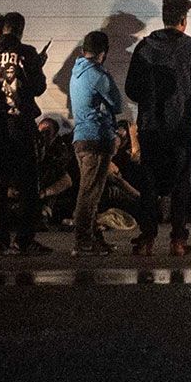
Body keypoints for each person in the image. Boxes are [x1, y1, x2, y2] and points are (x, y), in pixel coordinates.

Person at [125, 0, 191, 257]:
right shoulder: (190, 47)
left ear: (164, 18)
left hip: (150, 126)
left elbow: (131, 89)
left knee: (148, 184)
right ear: (183, 20)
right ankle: (178, 240)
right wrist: (183, 102)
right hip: (181, 127)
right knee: (182, 183)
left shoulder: (145, 47)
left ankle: (148, 237)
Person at [0, 10, 50, 254]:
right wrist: (37, 66)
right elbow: (38, 87)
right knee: (28, 184)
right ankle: (24, 239)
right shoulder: (26, 52)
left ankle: (0, 239)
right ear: (20, 29)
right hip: (20, 124)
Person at [66, 29, 124, 254]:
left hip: (81, 137)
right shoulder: (98, 75)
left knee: (91, 192)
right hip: (97, 137)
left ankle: (94, 238)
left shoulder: (76, 73)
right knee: (90, 194)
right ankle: (83, 242)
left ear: (83, 51)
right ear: (103, 53)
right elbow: (117, 104)